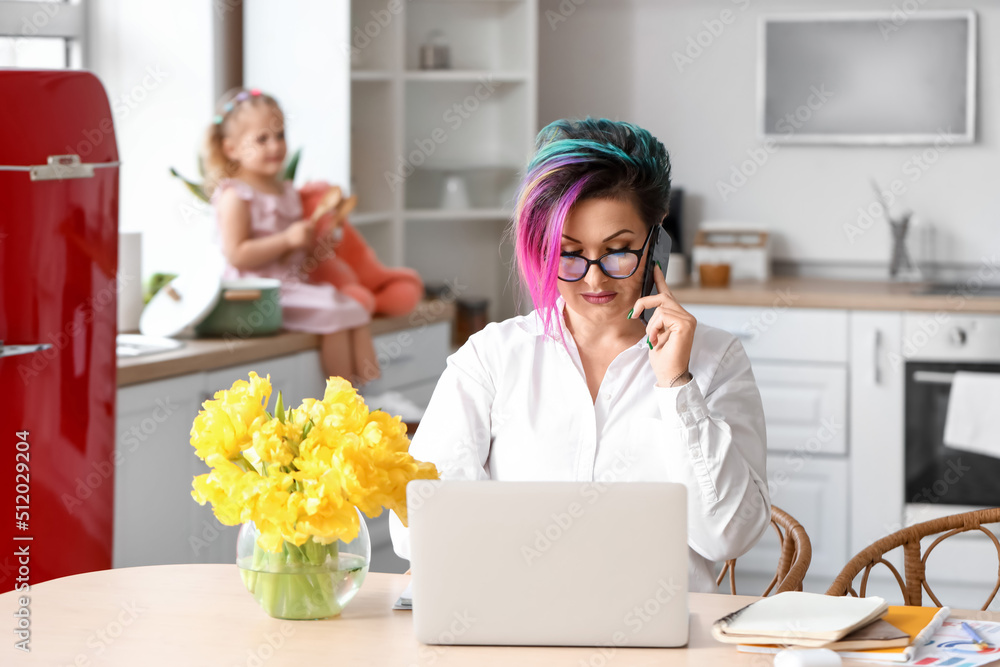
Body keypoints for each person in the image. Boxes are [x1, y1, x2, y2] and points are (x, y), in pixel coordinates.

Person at [389, 118, 770, 592]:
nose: (594, 280)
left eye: (619, 251)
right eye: (569, 253)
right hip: (513, 639)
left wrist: (677, 389)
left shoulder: (717, 361)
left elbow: (727, 537)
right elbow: (418, 528)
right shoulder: (491, 358)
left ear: (658, 243)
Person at [203, 88, 379, 385]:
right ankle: (344, 404)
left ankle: (372, 393)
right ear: (231, 149)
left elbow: (291, 256)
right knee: (335, 313)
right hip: (256, 295)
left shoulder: (286, 192)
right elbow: (236, 254)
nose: (275, 146)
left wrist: (314, 241)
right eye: (262, 139)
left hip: (290, 286)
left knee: (354, 309)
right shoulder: (235, 195)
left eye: (280, 135)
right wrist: (286, 239)